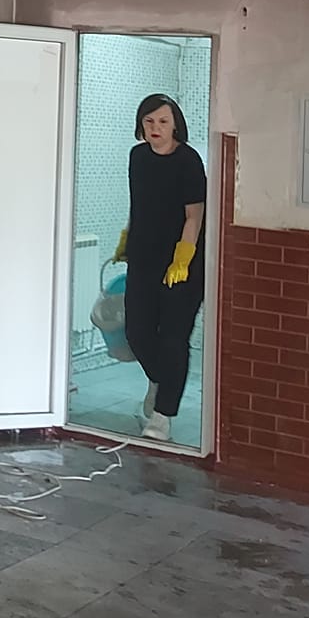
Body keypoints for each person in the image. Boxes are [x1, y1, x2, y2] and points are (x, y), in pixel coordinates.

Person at [113, 92, 208, 443]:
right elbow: (138, 204)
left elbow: (194, 216)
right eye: (149, 121)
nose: (156, 128)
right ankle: (159, 379)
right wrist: (127, 237)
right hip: (144, 258)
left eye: (163, 121)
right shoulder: (138, 157)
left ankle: (163, 416)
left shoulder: (188, 161)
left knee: (173, 339)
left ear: (175, 125)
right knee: (136, 332)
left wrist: (182, 259)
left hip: (183, 262)